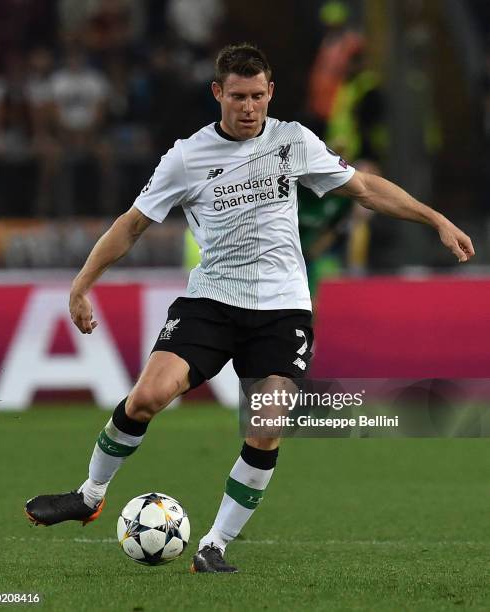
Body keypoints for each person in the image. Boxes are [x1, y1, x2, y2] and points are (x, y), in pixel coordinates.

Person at [25, 43, 474, 573]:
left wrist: (436, 219)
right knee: (146, 398)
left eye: (258, 96)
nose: (248, 108)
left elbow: (367, 190)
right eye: (237, 96)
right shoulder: (186, 156)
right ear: (218, 93)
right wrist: (82, 285)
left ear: (270, 93)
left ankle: (214, 544)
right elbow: (132, 224)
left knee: (266, 426)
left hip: (282, 310)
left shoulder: (293, 141)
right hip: (211, 302)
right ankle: (91, 494)